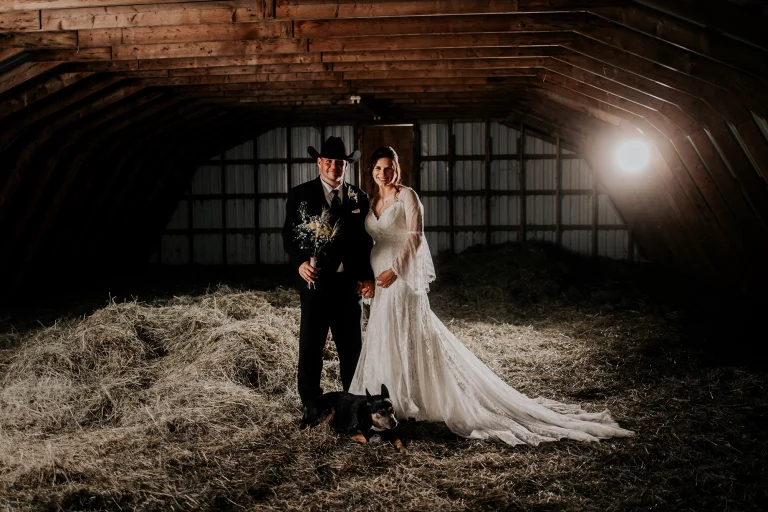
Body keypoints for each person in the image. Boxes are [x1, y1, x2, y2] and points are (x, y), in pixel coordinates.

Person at [349, 146, 634, 445]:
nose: (384, 174)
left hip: (401, 276)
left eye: (389, 167)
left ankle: (412, 397)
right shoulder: (370, 201)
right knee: (384, 333)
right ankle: (392, 398)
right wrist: (368, 276)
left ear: (397, 167)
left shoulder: (407, 196)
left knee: (408, 333)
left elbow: (416, 238)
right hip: (378, 277)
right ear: (371, 171)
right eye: (378, 169)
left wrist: (396, 269)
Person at [282, 136, 375, 407]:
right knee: (311, 346)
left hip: (349, 285)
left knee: (351, 348)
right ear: (319, 162)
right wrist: (300, 262)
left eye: (340, 162)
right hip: (316, 282)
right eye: (329, 161)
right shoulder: (300, 194)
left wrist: (366, 276)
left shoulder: (360, 197)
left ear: (347, 165)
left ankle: (353, 401)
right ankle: (312, 404)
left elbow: (366, 242)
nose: (334, 166)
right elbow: (288, 235)